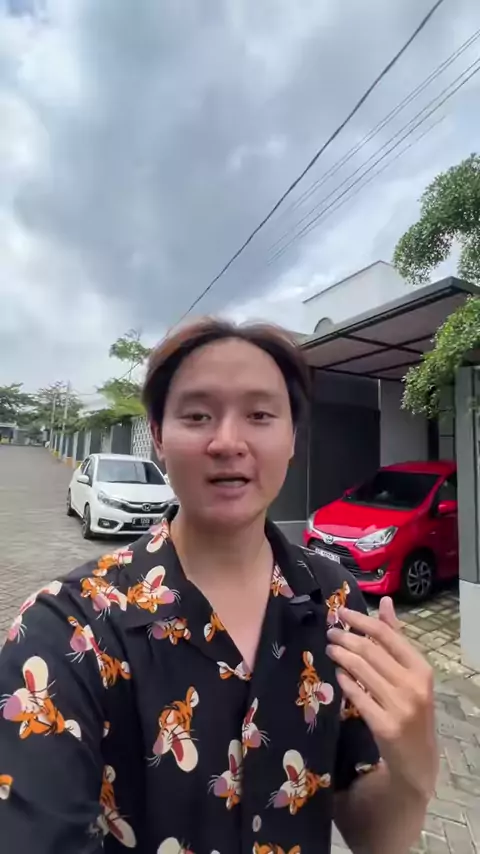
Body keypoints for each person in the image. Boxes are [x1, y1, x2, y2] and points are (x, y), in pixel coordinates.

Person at [0, 318, 438, 853]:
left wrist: (414, 768)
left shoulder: (335, 601)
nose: (228, 442)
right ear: (158, 436)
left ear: (292, 438)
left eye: (260, 415)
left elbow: (373, 836)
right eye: (197, 415)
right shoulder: (66, 633)